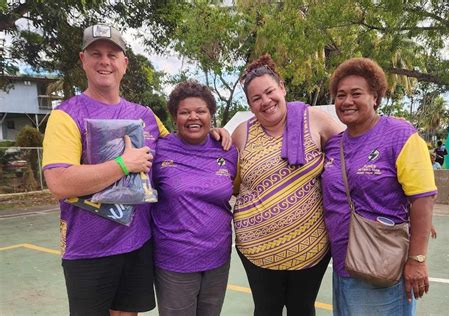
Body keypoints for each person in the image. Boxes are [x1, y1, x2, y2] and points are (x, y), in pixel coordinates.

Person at [42, 25, 230, 316]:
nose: (105, 61)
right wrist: (122, 164)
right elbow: (59, 182)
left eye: (112, 54)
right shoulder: (67, 114)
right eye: (96, 54)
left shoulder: (145, 116)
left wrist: (212, 132)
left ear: (124, 63)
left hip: (137, 244)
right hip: (89, 249)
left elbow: (182, 141)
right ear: (83, 59)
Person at [321, 57, 437, 315]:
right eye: (340, 95)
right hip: (344, 263)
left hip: (383, 265)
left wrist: (417, 260)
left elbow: (423, 198)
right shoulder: (334, 144)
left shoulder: (400, 135)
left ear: (375, 97)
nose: (347, 101)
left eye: (356, 93)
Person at [232, 54, 343, 316]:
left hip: (310, 247)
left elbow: (353, 148)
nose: (266, 101)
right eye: (256, 98)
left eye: (270, 92)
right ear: (249, 105)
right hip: (256, 247)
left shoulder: (314, 119)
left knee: (302, 309)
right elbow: (231, 182)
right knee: (266, 309)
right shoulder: (241, 132)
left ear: (282, 88)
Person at [151, 81, 238, 316]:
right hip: (174, 260)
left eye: (200, 111)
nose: (193, 117)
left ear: (211, 115)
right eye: (184, 112)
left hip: (218, 258)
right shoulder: (159, 150)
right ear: (174, 117)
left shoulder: (227, 149)